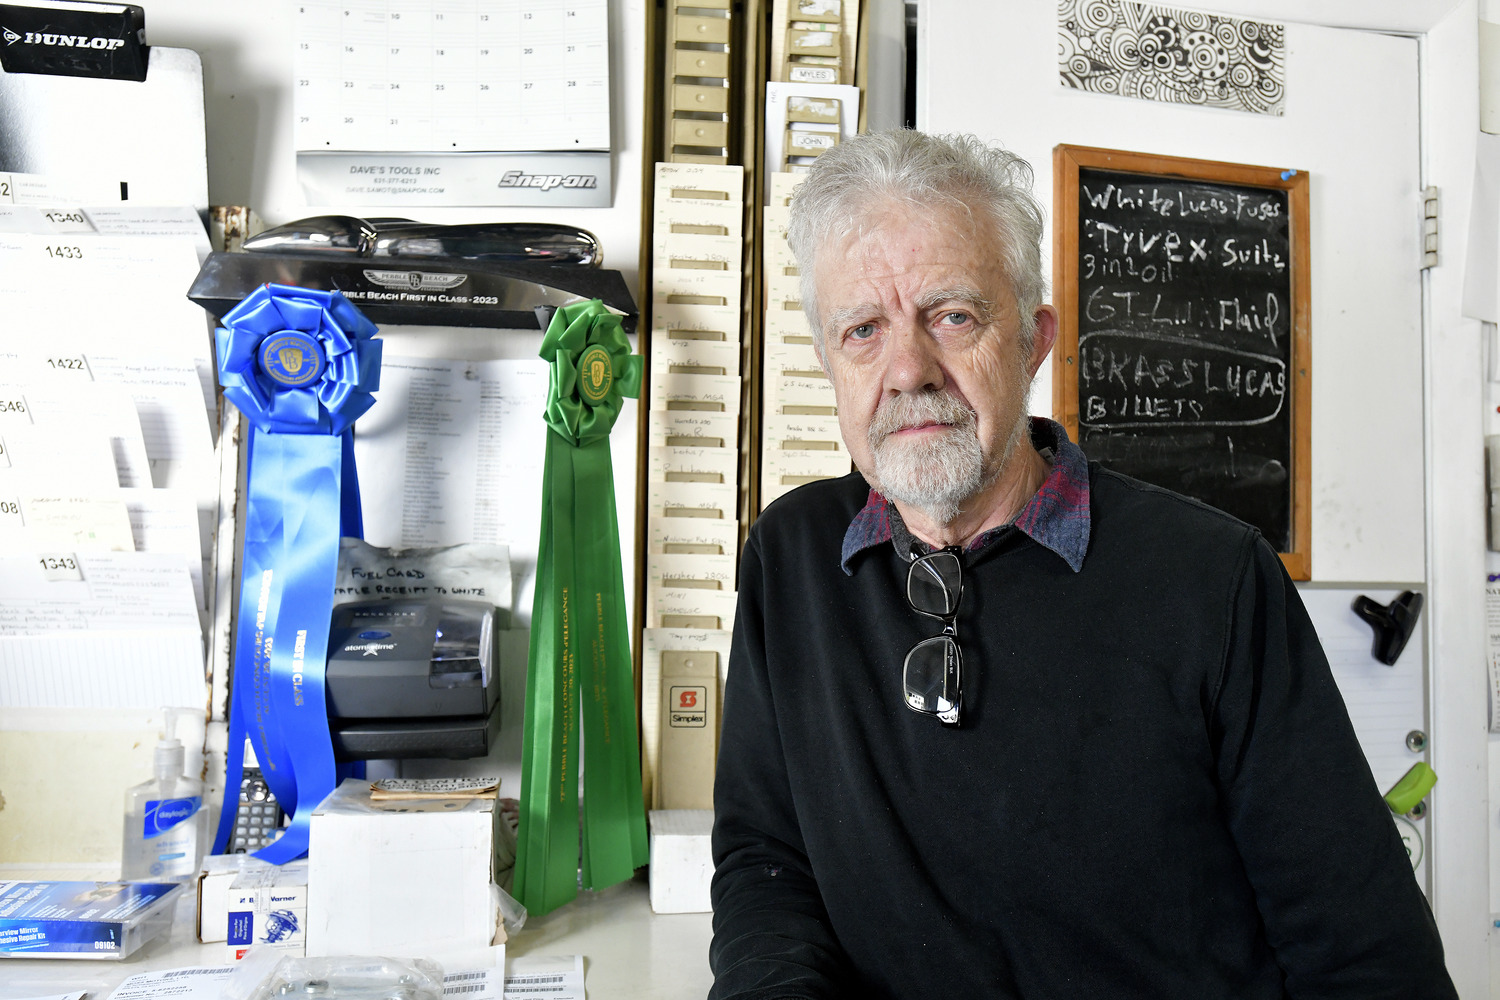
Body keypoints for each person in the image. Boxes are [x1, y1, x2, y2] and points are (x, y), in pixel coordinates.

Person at [708, 130, 1456, 999]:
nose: (909, 369)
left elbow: (1366, 956)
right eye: (863, 330)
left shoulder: (1214, 582)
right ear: (830, 364)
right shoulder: (789, 560)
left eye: (952, 315)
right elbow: (767, 862)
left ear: (1033, 339)